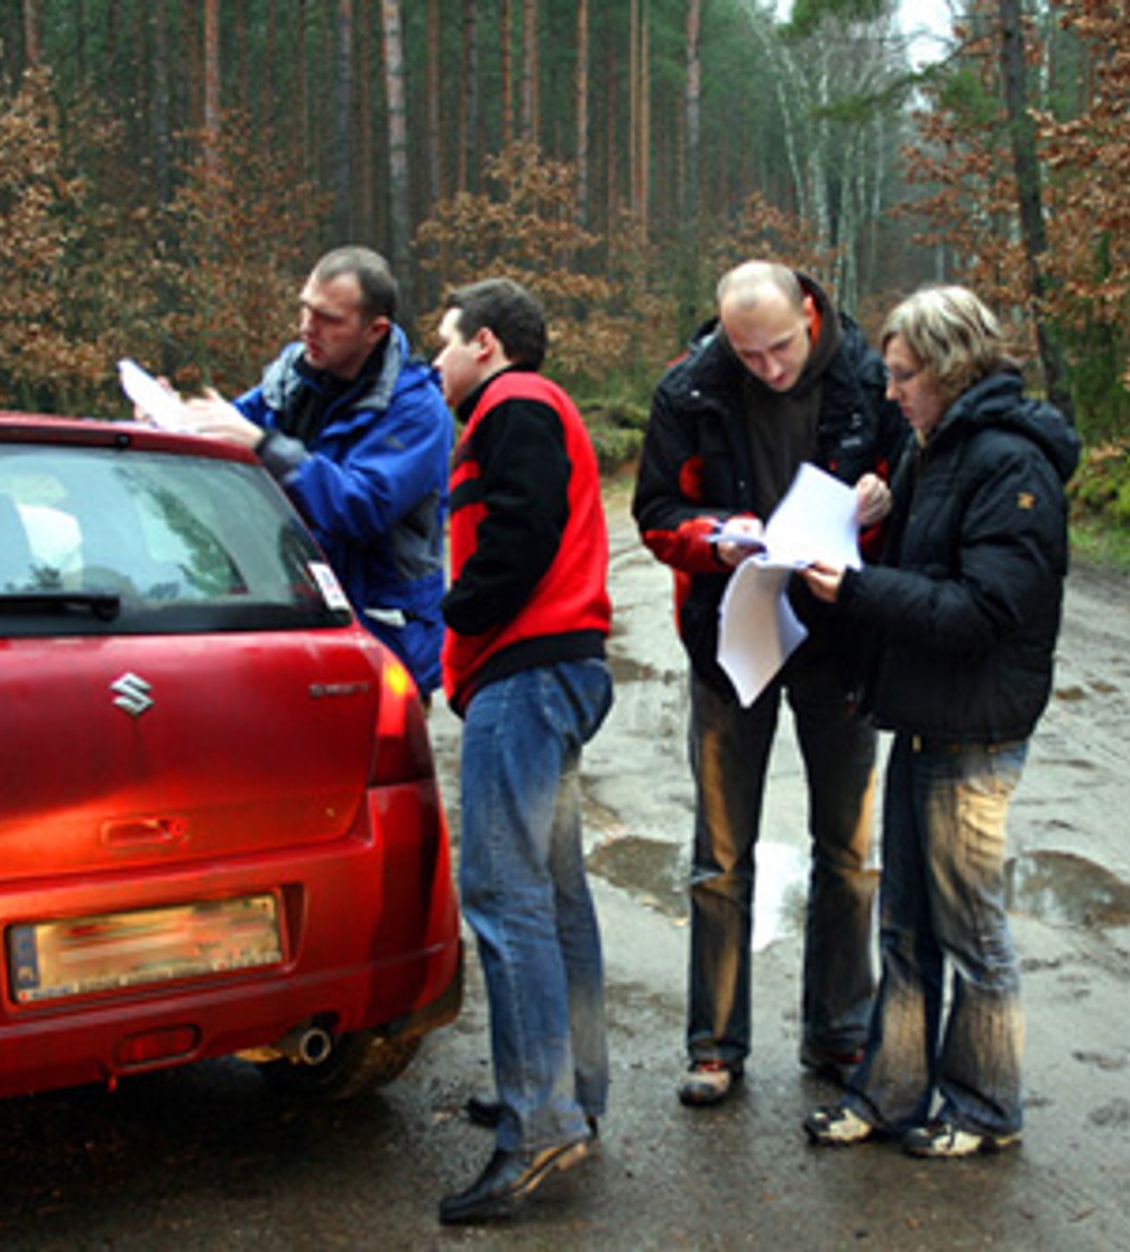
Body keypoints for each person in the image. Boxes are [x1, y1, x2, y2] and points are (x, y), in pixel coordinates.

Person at [796, 286, 1079, 1158]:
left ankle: (988, 1107)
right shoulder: (934, 448)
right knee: (906, 930)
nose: (891, 393)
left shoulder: (1010, 464)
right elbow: (925, 580)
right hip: (922, 721)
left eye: (905, 375)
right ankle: (889, 1093)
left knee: (971, 934)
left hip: (975, 733)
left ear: (952, 369)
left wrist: (860, 588)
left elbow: (982, 610)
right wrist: (863, 528)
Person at [632, 261, 910, 1106]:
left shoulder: (870, 377)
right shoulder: (689, 389)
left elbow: (914, 474)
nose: (768, 368)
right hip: (733, 639)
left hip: (837, 637)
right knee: (720, 856)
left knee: (848, 853)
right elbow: (654, 514)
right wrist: (713, 536)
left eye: (779, 348)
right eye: (747, 355)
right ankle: (715, 1046)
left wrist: (884, 495)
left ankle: (839, 1033)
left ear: (810, 314)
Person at [431, 277, 614, 1224]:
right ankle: (569, 1093)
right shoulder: (521, 407)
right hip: (546, 674)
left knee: (504, 895)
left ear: (488, 345)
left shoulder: (516, 403)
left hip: (528, 678)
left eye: (445, 341)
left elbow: (521, 535)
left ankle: (540, 1126)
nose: (435, 359)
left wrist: (449, 616)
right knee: (550, 893)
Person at [167, 245, 453, 698]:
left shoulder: (416, 410)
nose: (306, 328)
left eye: (327, 318)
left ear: (374, 330)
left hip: (379, 636)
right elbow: (227, 429)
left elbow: (361, 506)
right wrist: (174, 417)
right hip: (290, 621)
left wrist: (265, 447)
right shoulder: (291, 376)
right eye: (304, 309)